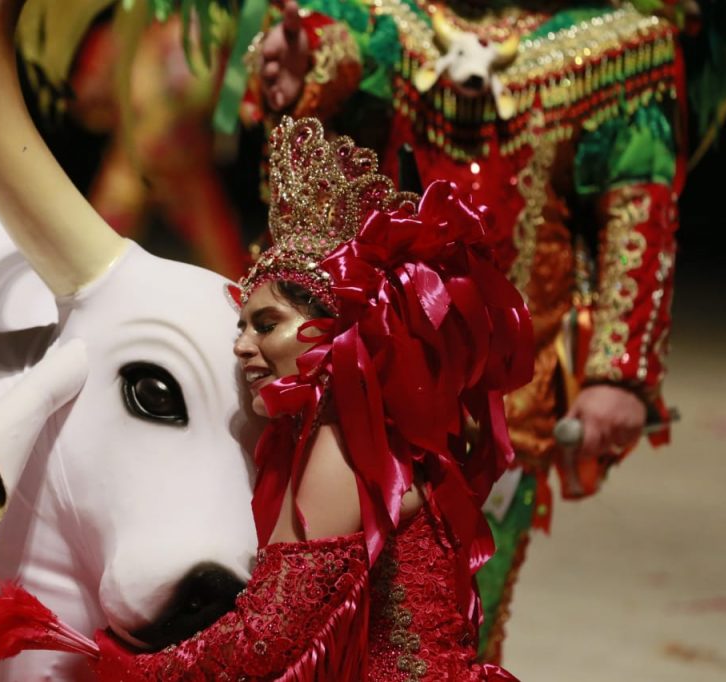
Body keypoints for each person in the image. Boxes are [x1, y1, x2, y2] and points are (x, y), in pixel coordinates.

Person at [0, 115, 533, 680]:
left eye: (266, 324)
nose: (241, 346)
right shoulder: (348, 436)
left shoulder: (342, 449)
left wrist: (123, 667)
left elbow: (267, 637)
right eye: (240, 327)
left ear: (333, 330)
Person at [244, 0, 688, 660]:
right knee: (321, 614)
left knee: (450, 628)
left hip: (506, 406)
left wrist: (618, 374)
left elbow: (639, 212)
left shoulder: (618, 48)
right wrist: (308, 59)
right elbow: (338, 58)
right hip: (354, 380)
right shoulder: (383, 18)